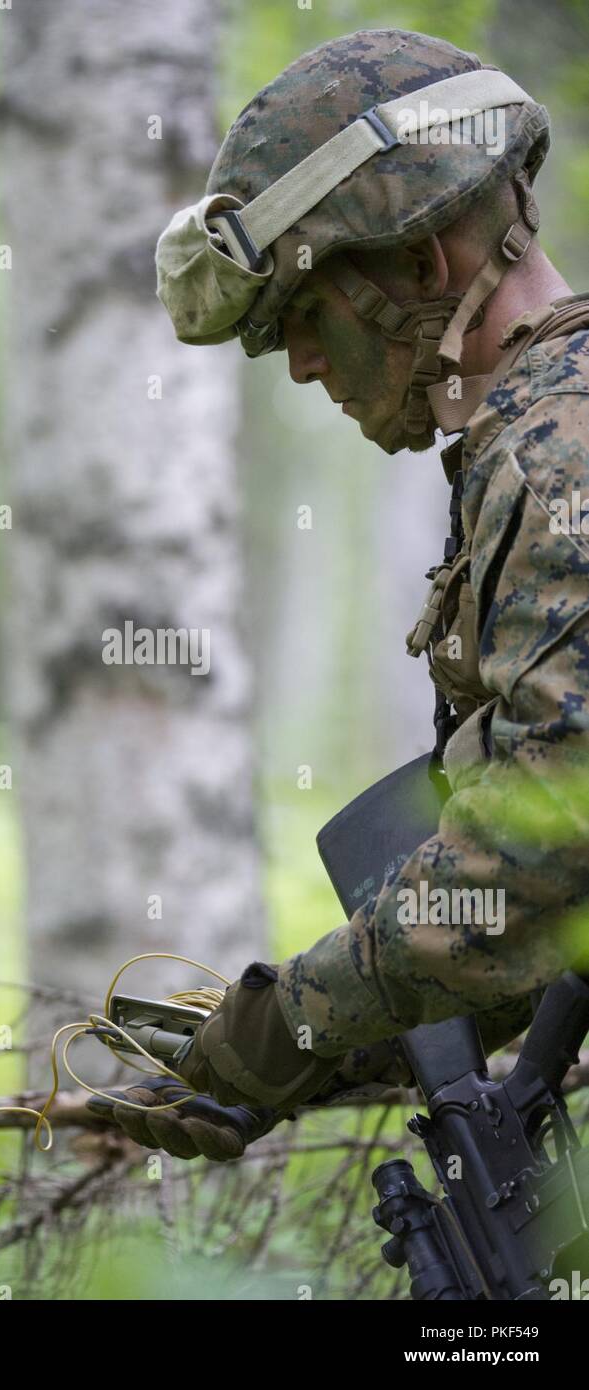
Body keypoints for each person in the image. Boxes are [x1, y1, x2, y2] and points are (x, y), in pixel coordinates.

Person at [87, 29, 589, 1162]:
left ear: (420, 267)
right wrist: (303, 1047)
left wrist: (293, 1017)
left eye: (304, 320)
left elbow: (548, 845)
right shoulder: (529, 438)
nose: (303, 368)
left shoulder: (560, 452)